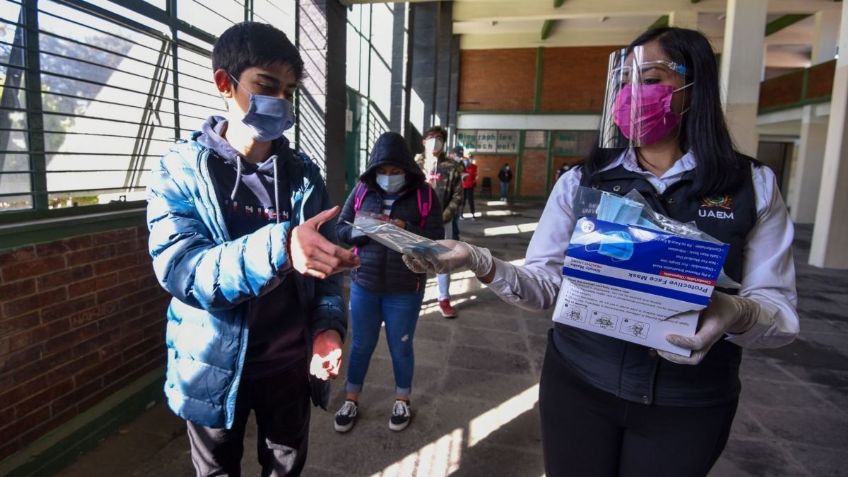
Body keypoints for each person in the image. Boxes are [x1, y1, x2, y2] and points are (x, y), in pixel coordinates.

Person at [402, 27, 799, 477]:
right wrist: (480, 261)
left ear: (694, 88)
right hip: (579, 384)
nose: (633, 94)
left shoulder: (752, 185)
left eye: (649, 79)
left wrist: (735, 312)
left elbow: (779, 312)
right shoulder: (583, 180)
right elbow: (546, 288)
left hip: (689, 403)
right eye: (625, 81)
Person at [146, 22, 359, 476]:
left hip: (288, 366)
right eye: (266, 86)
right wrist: (281, 246)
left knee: (286, 467)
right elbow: (182, 269)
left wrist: (327, 329)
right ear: (225, 83)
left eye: (288, 91)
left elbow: (324, 274)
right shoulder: (180, 171)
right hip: (212, 366)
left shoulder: (303, 175)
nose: (279, 102)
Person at [333, 132, 444, 434]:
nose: (388, 177)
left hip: (405, 287)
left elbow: (435, 236)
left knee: (401, 346)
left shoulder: (424, 194)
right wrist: (363, 232)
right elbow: (341, 228)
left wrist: (405, 227)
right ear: (374, 170)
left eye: (395, 172)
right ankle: (351, 398)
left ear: (406, 169)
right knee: (361, 344)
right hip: (364, 282)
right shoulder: (361, 190)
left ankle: (402, 399)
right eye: (383, 171)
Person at [416, 126, 463, 318]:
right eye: (431, 137)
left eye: (439, 138)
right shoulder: (415, 165)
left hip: (443, 221)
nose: (435, 141)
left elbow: (458, 195)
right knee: (415, 258)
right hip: (416, 221)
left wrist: (444, 216)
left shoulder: (451, 167)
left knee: (442, 260)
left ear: (444, 143)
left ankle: (443, 299)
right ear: (424, 141)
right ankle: (415, 296)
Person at [460, 152, 478, 220]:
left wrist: (474, 180)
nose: (470, 159)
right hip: (463, 186)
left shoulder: (474, 167)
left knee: (471, 201)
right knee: (462, 201)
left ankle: (473, 214)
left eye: (471, 158)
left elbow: (475, 176)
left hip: (470, 186)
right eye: (469, 158)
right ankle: (461, 214)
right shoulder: (462, 167)